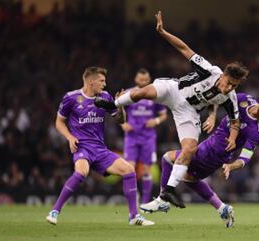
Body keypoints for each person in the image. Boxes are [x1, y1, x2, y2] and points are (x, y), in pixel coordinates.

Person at [94, 11, 249, 208]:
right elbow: (184, 49)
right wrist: (163, 32)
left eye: (234, 86)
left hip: (188, 111)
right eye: (228, 83)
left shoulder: (230, 98)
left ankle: (168, 191)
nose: (229, 88)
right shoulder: (210, 71)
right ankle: (113, 105)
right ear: (224, 75)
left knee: (189, 149)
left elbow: (235, 121)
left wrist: (233, 137)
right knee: (144, 92)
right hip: (175, 90)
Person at [140, 93, 259, 227]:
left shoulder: (256, 131)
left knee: (168, 158)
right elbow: (218, 98)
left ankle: (162, 200)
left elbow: (245, 157)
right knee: (189, 179)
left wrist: (231, 166)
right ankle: (222, 208)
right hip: (208, 145)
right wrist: (212, 116)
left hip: (214, 154)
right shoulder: (244, 99)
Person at [45, 67, 154, 226]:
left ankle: (134, 216)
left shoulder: (105, 96)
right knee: (81, 171)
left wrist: (120, 104)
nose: (105, 84)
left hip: (101, 150)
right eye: (102, 81)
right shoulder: (71, 98)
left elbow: (120, 120)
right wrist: (69, 137)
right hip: (82, 147)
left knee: (129, 170)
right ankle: (54, 211)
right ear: (91, 81)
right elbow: (59, 122)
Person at [122, 68, 167, 204]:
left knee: (147, 170)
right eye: (140, 79)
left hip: (148, 137)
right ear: (136, 80)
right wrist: (123, 123)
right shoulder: (129, 93)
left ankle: (145, 202)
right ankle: (133, 199)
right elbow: (119, 110)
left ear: (149, 80)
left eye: (145, 79)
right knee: (129, 168)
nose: (143, 81)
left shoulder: (154, 95)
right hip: (131, 137)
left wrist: (156, 121)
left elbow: (164, 115)